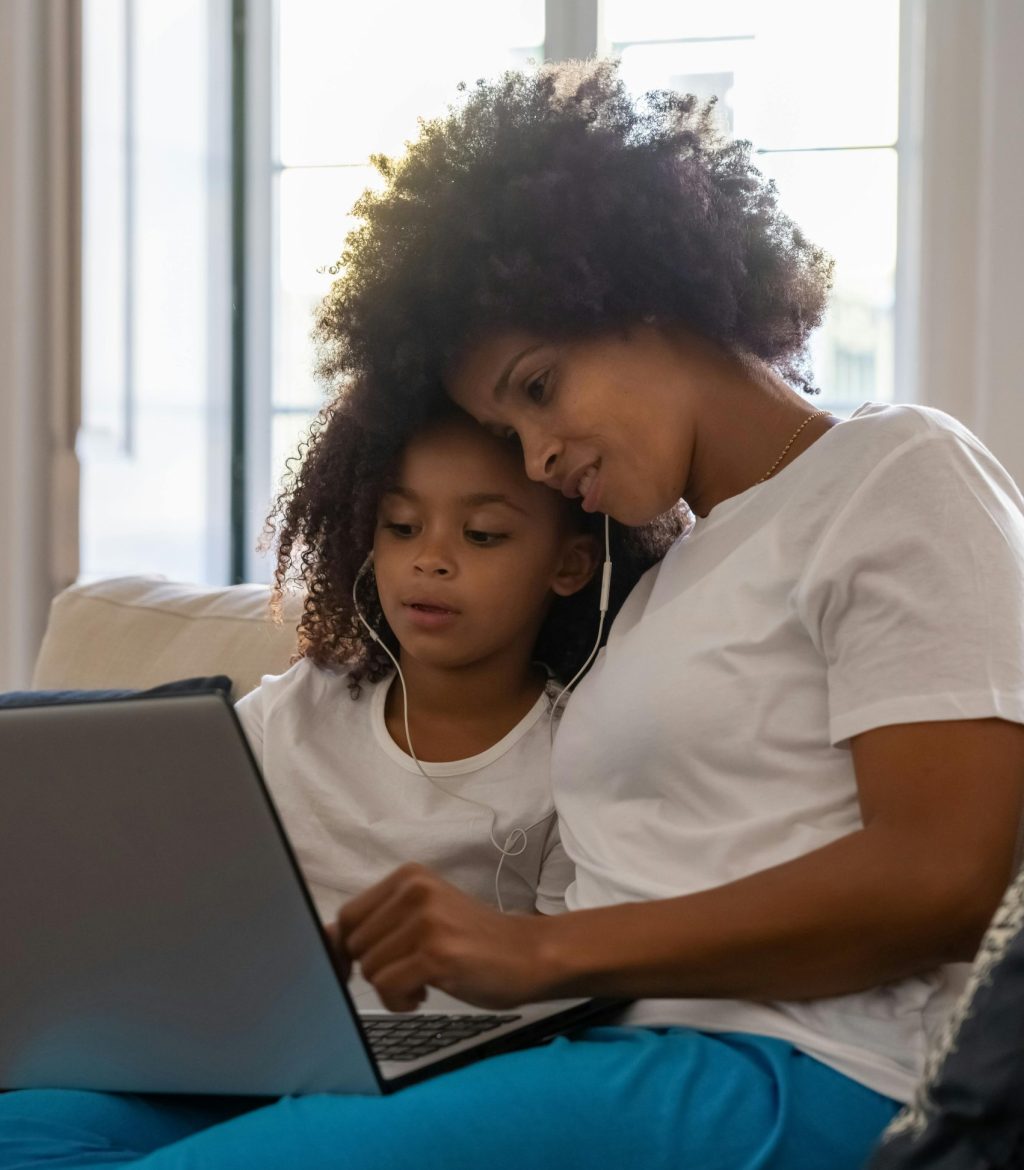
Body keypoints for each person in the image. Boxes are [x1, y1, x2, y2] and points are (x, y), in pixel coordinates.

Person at [3, 58, 1023, 1170]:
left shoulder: (895, 470)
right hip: (574, 1044)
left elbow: (943, 877)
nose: (539, 454)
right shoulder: (664, 587)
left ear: (644, 290)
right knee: (35, 1126)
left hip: (792, 1067)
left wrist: (543, 957)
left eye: (539, 387)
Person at [235, 393, 679, 923]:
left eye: (482, 534)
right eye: (401, 526)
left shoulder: (578, 757)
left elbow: (569, 966)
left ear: (571, 565)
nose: (430, 560)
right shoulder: (288, 713)